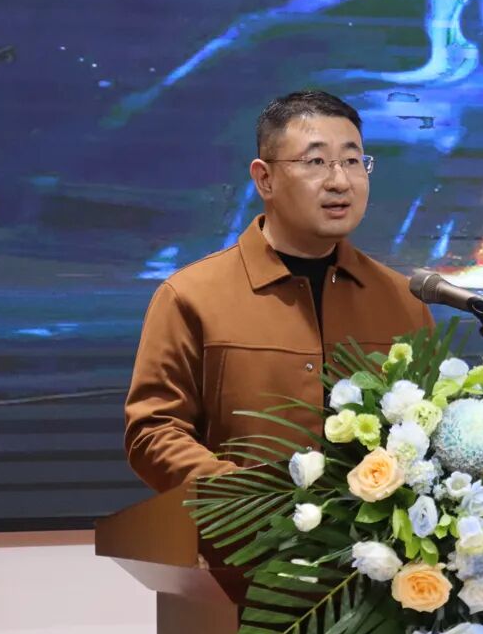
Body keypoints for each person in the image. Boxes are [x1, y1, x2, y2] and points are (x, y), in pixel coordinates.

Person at [125, 90, 434, 492]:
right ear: (264, 179)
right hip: (235, 529)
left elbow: (429, 430)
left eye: (353, 161)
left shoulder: (404, 302)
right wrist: (244, 498)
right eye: (316, 162)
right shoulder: (190, 296)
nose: (340, 181)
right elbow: (153, 432)